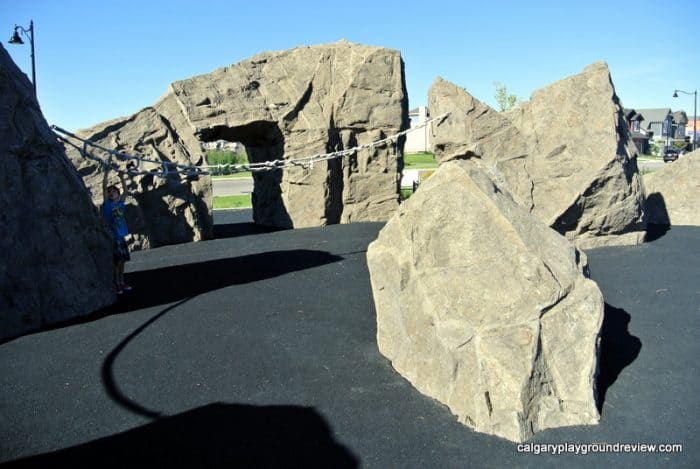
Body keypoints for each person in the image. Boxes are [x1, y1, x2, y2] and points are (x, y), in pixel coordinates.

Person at [102, 169, 132, 294]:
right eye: (110, 192)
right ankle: (117, 283)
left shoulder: (120, 203)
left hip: (121, 237)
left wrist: (122, 177)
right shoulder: (107, 205)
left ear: (118, 194)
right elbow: (104, 188)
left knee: (123, 261)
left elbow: (126, 190)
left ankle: (121, 282)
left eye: (114, 192)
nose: (111, 193)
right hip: (114, 237)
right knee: (118, 261)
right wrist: (106, 173)